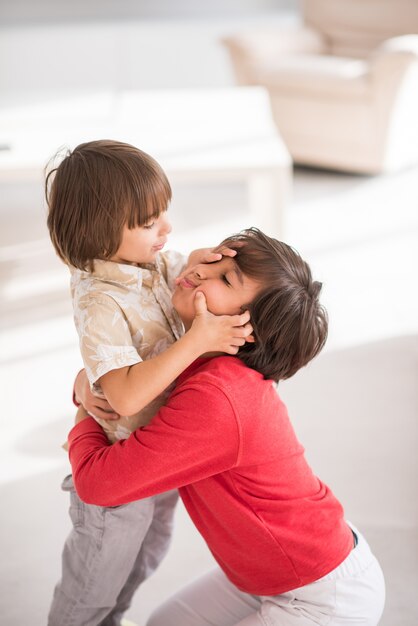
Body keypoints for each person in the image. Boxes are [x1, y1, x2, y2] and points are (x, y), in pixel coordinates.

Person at [70, 227, 386, 626]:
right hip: (271, 576)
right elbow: (128, 382)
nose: (203, 269)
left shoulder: (220, 397)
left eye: (225, 278)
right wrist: (87, 382)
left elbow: (98, 483)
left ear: (244, 326)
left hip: (324, 595)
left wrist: (84, 415)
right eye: (217, 258)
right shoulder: (194, 354)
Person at [45, 140, 253, 626]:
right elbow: (126, 395)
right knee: (91, 590)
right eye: (148, 222)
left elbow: (185, 266)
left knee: (140, 565)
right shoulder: (101, 300)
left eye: (164, 213)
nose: (167, 228)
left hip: (157, 458)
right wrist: (198, 340)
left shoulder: (151, 261)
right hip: (119, 472)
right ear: (97, 232)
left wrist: (211, 258)